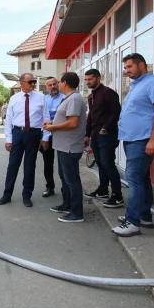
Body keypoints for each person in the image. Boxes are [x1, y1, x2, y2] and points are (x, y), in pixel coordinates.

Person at [112, 53, 154, 237]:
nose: (126, 71)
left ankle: (132, 222)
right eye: (125, 68)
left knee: (134, 178)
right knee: (142, 178)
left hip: (144, 139)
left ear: (142, 65)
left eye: (129, 67)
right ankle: (144, 216)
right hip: (132, 138)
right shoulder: (136, 86)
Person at [0, 73, 49, 207]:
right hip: (17, 133)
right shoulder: (14, 98)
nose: (33, 84)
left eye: (33, 81)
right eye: (30, 81)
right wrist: (8, 139)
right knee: (13, 165)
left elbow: (46, 118)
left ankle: (27, 195)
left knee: (29, 166)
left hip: (34, 134)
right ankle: (7, 194)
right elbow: (8, 120)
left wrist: (45, 137)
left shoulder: (41, 97)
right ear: (22, 83)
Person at [43, 72, 88, 223]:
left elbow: (73, 123)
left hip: (70, 146)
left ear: (65, 83)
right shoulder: (69, 98)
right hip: (63, 146)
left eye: (59, 82)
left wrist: (53, 127)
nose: (57, 85)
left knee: (72, 180)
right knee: (65, 178)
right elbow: (66, 119)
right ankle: (67, 204)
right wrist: (51, 124)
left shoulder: (74, 98)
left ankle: (77, 213)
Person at [83, 68, 123, 208]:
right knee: (100, 163)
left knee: (108, 164)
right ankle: (103, 190)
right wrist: (87, 135)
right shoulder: (91, 96)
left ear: (99, 78)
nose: (88, 82)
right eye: (86, 80)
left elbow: (116, 112)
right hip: (95, 136)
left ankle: (118, 196)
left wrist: (105, 127)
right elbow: (90, 118)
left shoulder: (108, 93)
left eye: (91, 79)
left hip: (108, 135)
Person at [40, 78, 64, 198]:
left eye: (55, 84)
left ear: (58, 84)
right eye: (50, 85)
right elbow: (43, 119)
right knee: (48, 163)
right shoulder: (44, 99)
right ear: (46, 87)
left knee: (63, 164)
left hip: (61, 134)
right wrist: (45, 137)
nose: (53, 86)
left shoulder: (65, 98)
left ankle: (66, 188)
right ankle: (50, 187)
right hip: (47, 135)